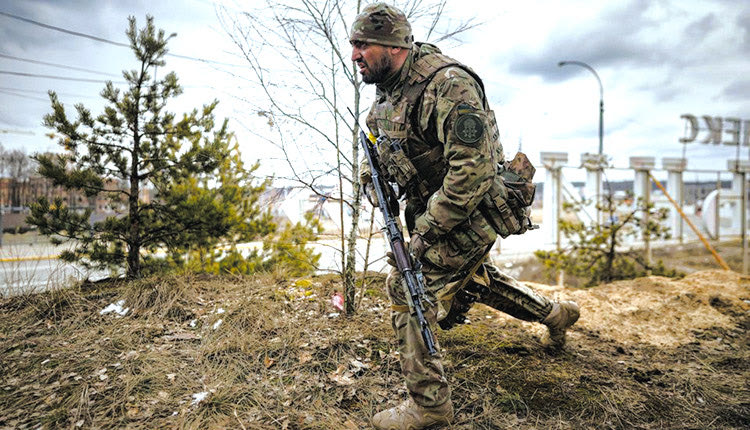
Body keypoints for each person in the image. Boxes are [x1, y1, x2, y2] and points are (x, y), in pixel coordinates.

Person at [350, 3, 580, 429]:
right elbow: (376, 133)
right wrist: (370, 177)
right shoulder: (390, 86)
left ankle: (430, 406)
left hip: (475, 206)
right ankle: (555, 314)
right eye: (353, 45)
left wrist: (421, 236)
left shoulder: (449, 86)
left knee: (406, 284)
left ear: (394, 45)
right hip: (439, 205)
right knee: (476, 279)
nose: (354, 55)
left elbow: (470, 175)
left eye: (362, 45)